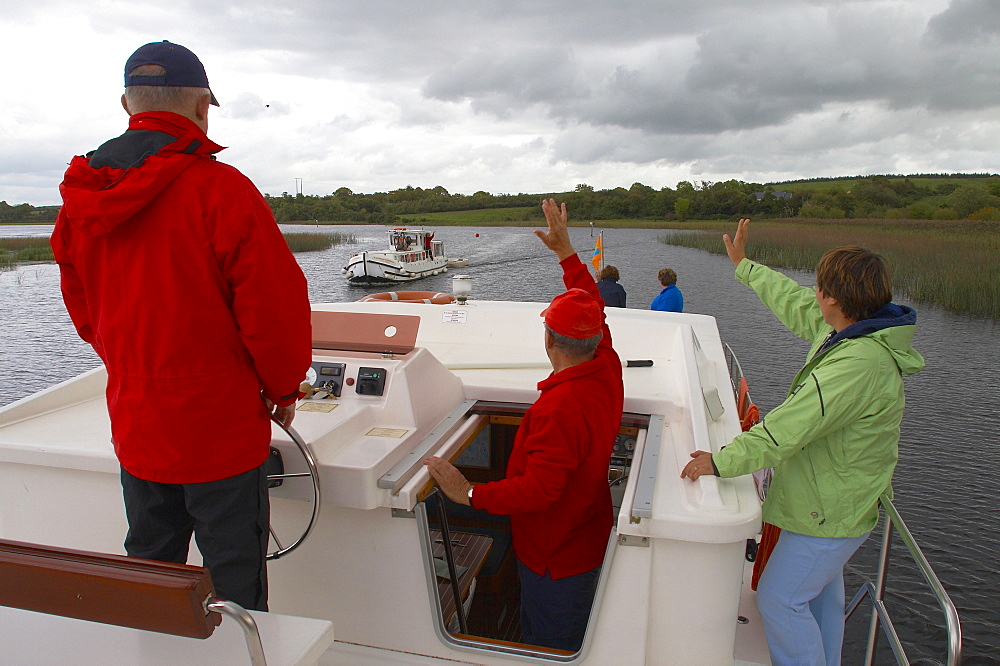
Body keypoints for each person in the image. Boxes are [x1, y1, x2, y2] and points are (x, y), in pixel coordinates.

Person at [50, 40, 312, 611]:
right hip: (220, 433)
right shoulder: (222, 191)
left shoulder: (79, 201)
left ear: (127, 104)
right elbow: (275, 311)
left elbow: (83, 308)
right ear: (201, 107)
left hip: (138, 425)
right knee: (237, 584)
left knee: (150, 572)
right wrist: (284, 387)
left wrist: (131, 366)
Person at [681, 218, 924, 665]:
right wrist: (745, 267)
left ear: (833, 298)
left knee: (779, 600)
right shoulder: (852, 329)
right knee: (819, 601)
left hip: (829, 509)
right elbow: (793, 303)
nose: (811, 293)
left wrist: (721, 461)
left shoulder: (859, 363)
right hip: (834, 499)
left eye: (817, 287)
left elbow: (789, 427)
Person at [424, 199, 624, 652]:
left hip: (555, 559)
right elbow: (594, 305)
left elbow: (539, 491)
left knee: (548, 645)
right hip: (585, 536)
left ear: (549, 338)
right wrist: (567, 254)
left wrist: (468, 493)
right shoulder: (605, 365)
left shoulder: (559, 408)